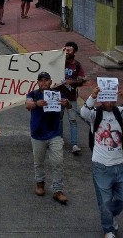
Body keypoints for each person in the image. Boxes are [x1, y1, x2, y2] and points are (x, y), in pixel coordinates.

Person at [80, 85, 123, 238]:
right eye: (106, 98)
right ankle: (108, 230)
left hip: (119, 165)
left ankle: (109, 215)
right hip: (101, 166)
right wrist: (92, 96)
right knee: (105, 202)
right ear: (102, 99)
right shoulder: (95, 113)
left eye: (112, 98)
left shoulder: (119, 112)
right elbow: (84, 112)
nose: (110, 101)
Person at [25, 71, 70, 205]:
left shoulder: (57, 94)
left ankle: (58, 190)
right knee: (38, 162)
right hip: (38, 134)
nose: (43, 83)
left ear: (50, 82)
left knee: (58, 162)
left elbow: (69, 105)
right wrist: (37, 104)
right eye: (41, 80)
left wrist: (66, 103)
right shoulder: (33, 94)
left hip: (54, 134)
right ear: (37, 82)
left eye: (46, 80)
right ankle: (40, 183)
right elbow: (28, 105)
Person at [58, 41, 86, 154]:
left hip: (71, 97)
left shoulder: (77, 65)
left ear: (74, 52)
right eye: (65, 50)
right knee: (58, 119)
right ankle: (59, 139)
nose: (67, 52)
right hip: (58, 96)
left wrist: (72, 81)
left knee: (73, 120)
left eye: (69, 50)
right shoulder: (59, 62)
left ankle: (74, 144)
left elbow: (81, 80)